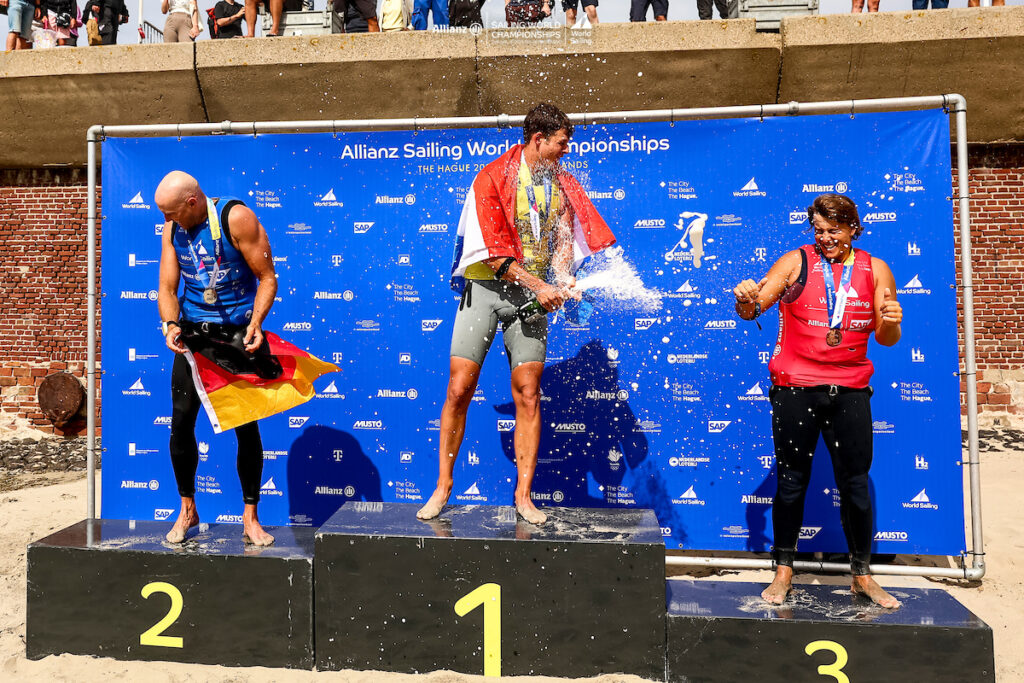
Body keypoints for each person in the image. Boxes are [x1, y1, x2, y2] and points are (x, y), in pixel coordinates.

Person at [417, 103, 616, 525]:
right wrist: (541, 286)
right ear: (538, 139)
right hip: (488, 290)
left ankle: (524, 497)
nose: (567, 152)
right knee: (459, 388)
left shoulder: (562, 184)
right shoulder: (492, 177)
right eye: (562, 144)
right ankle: (443, 486)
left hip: (533, 297)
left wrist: (562, 279)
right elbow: (492, 255)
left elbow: (564, 235)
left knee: (528, 391)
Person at [733, 193, 903, 609]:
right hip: (797, 387)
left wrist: (893, 322)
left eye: (834, 231)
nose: (825, 238)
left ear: (853, 229)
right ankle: (784, 571)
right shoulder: (796, 262)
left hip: (850, 390)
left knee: (856, 484)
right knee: (791, 481)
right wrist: (744, 297)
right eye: (819, 230)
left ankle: (862, 576)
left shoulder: (875, 268)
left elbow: (885, 337)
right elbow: (754, 308)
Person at [155, 171, 278, 546]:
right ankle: (187, 509)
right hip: (193, 337)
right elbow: (166, 287)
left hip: (239, 336)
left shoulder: (236, 218)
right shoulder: (172, 229)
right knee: (181, 423)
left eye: (172, 213)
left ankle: (250, 517)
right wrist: (170, 324)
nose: (167, 221)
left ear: (192, 203)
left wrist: (256, 323)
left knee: (246, 426)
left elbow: (268, 277)